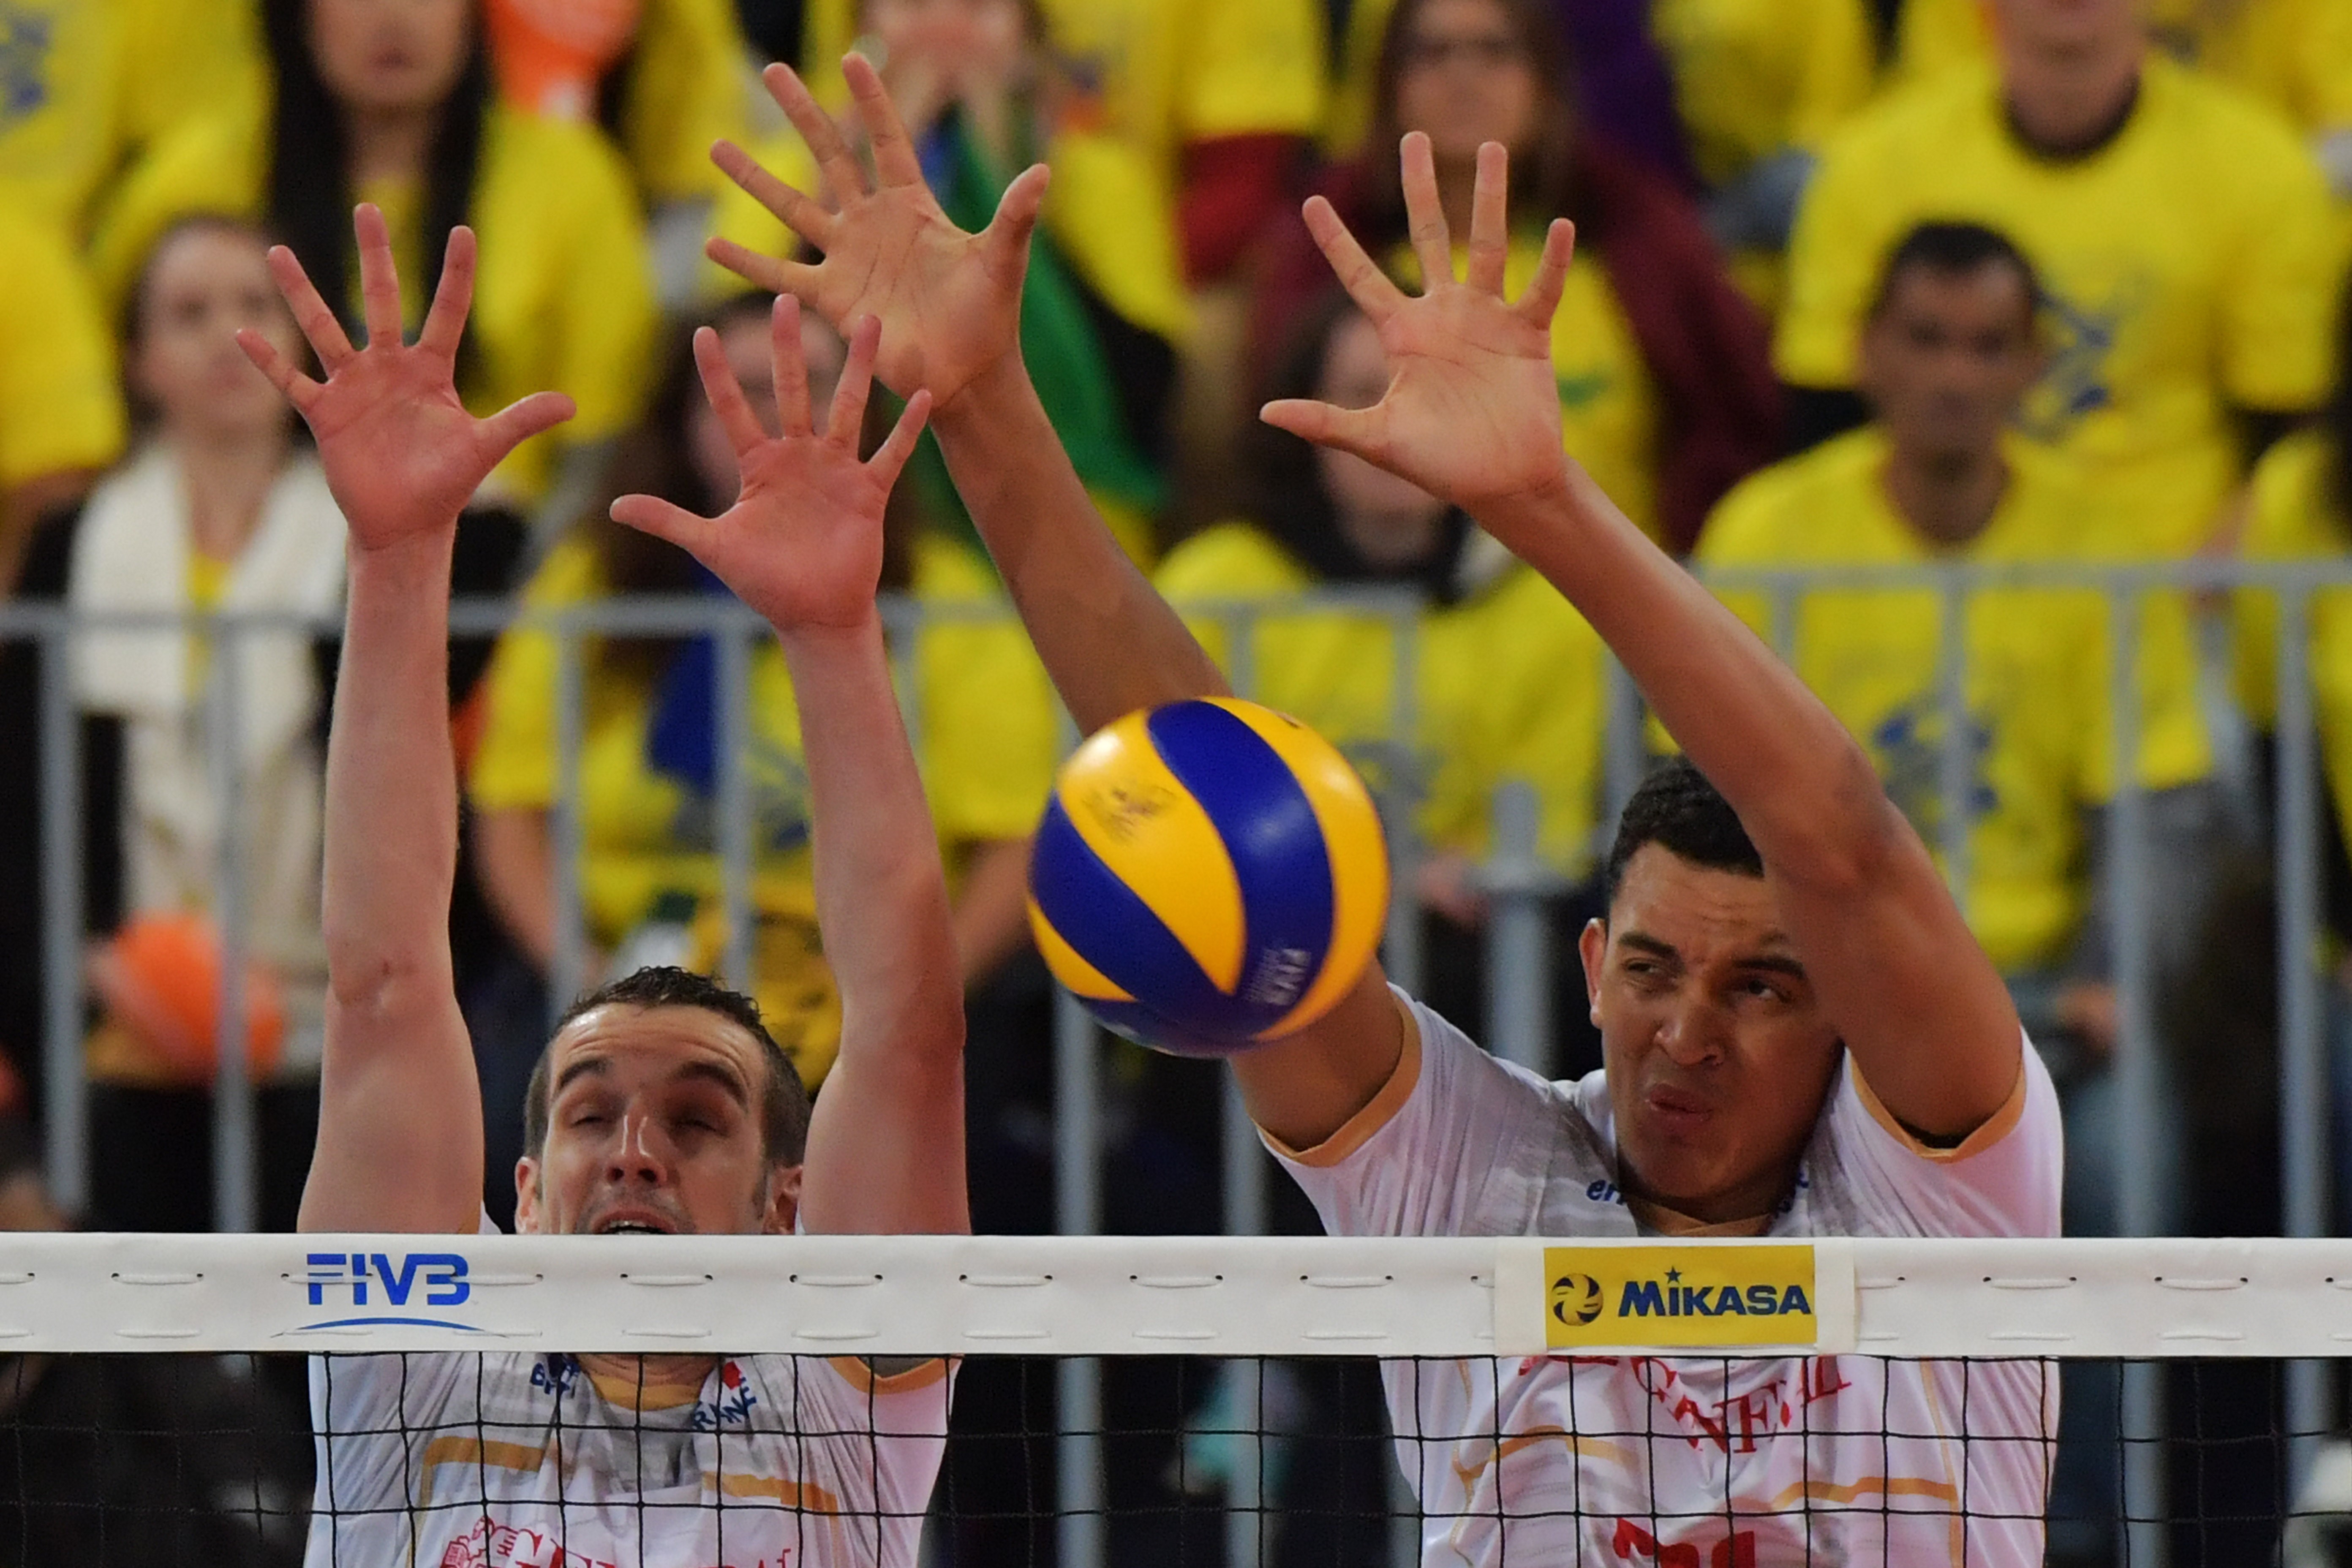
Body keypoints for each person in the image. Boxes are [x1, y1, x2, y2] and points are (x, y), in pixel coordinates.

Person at [713, 57, 2059, 1561]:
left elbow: (1844, 845)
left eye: (1759, 987)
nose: (1684, 1035)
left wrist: (1543, 504)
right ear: (1588, 960)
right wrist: (979, 400)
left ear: (1846, 1014)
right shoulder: (1475, 1179)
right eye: (1651, 971)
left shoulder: (1941, 1184)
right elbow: (1204, 798)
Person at [238, 205, 964, 1564]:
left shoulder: (842, 1406)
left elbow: (909, 1039)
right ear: (521, 1196)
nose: (633, 1149)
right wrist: (397, 558)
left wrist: (829, 630)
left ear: (789, 1207)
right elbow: (386, 983)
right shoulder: (417, 1367)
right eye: (591, 1118)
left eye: (697, 1122)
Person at [463, 291, 1052, 1221]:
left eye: (809, 383)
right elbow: (509, 817)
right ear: (682, 421)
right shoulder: (590, 583)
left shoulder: (944, 598)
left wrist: (901, 1016)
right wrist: (596, 989)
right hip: (624, 972)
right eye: (733, 389)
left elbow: (1017, 842)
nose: (774, 412)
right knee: (509, 1104)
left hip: (860, 989)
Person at [1159, 282, 1609, 1054]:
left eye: (1428, 395)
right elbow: (1176, 815)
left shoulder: (1542, 602)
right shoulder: (1218, 587)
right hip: (1250, 948)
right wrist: (1374, 882)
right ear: (1308, 418)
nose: (1398, 424)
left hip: (1461, 957)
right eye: (1364, 394)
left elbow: (1540, 837)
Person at [1778, 0, 2341, 557]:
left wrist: (2206, 583)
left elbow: (2290, 435)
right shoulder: (1872, 168)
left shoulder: (2261, 170)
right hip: (1915, 590)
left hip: (2181, 594)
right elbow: (1829, 414)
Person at [1255, 0, 1780, 555]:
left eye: (1494, 50)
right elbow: (1282, 454)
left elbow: (1727, 430)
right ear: (1390, 84)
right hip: (1397, 604)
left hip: (1615, 601)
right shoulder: (1331, 241)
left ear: (1545, 80)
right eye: (1434, 53)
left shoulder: (1639, 232)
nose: (1464, 76)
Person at [92, 0, 657, 511]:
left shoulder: (574, 180)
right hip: (244, 563)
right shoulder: (194, 181)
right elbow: (104, 395)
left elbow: (600, 449)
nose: (394, 17)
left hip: (506, 579)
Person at [711, 1, 1184, 561]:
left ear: (1028, 45)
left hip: (1070, 523)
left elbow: (1147, 396)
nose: (944, 31)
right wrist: (841, 207)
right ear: (862, 33)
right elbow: (737, 373)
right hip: (853, 523)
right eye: (913, 5)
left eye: (979, 8)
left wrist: (1010, 192)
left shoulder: (1098, 176)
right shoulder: (788, 169)